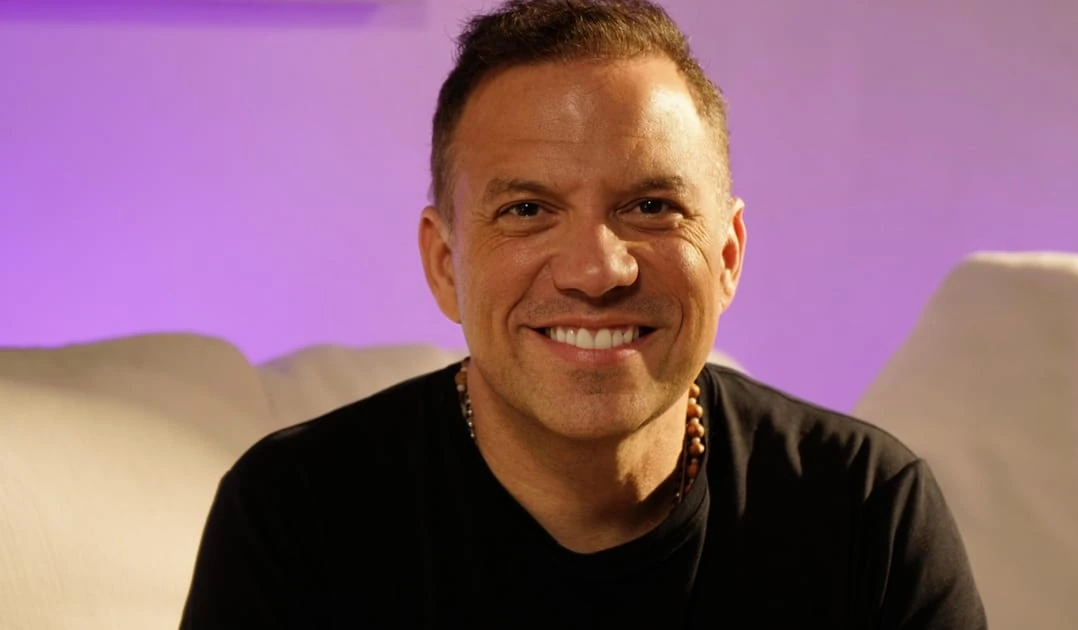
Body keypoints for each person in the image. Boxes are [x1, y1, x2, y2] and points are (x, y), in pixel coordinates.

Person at [180, 1, 987, 627]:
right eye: (528, 210)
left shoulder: (865, 511)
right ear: (446, 265)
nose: (597, 271)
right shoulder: (296, 517)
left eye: (651, 206)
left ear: (728, 255)